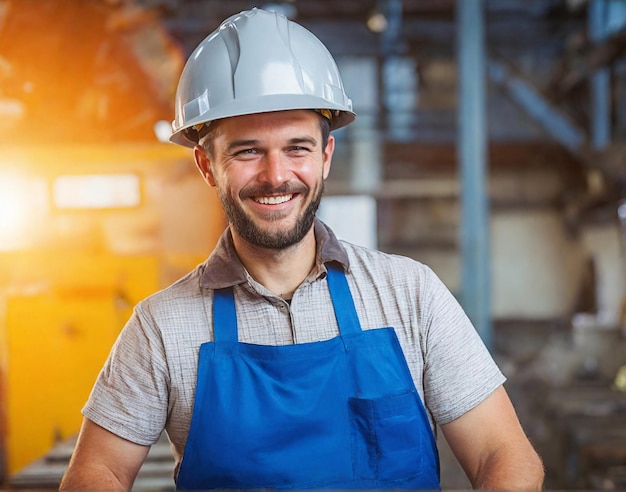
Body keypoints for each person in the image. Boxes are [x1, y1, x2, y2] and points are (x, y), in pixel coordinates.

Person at [60, 7, 544, 491]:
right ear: (208, 166)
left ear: (326, 156)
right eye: (247, 150)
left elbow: (503, 454)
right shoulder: (162, 327)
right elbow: (95, 473)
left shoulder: (410, 294)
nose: (276, 175)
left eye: (297, 147)